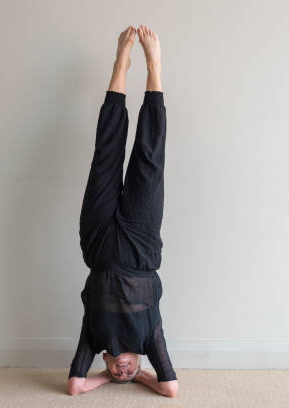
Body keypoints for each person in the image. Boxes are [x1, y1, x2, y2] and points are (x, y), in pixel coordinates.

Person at [66, 25, 178, 398]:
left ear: (107, 364)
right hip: (140, 250)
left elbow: (76, 386)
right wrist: (143, 377)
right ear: (141, 362)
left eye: (115, 374)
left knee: (106, 155)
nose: (120, 371)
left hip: (97, 244)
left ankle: (119, 65)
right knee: (149, 161)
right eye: (125, 373)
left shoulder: (95, 338)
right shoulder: (150, 338)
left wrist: (104, 378)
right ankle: (154, 68)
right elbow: (171, 389)